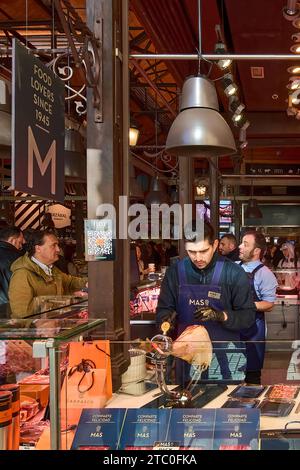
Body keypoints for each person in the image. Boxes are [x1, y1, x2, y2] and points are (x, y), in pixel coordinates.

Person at [156, 220, 256, 385]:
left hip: (225, 357)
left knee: (225, 407)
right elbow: (163, 309)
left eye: (203, 251)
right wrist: (165, 321)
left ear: (215, 244)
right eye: (192, 252)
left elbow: (248, 316)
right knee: (187, 407)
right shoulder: (175, 272)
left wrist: (221, 315)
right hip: (187, 357)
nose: (198, 258)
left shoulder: (234, 273)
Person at [8, 230, 87, 318]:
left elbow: (70, 282)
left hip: (55, 325)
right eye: (53, 245)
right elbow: (21, 313)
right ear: (38, 248)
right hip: (39, 330)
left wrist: (89, 283)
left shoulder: (51, 269)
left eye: (58, 245)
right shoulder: (22, 275)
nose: (58, 249)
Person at [238, 231, 278, 384]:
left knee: (252, 375)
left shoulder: (265, 274)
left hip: (252, 329)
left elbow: (269, 304)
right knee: (228, 371)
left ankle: (250, 405)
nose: (240, 247)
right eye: (241, 243)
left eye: (245, 244)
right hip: (231, 327)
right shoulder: (234, 267)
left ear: (256, 251)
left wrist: (245, 305)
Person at [0, 226, 25, 305]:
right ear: (12, 240)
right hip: (9, 305)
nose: (21, 246)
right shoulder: (17, 258)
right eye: (20, 242)